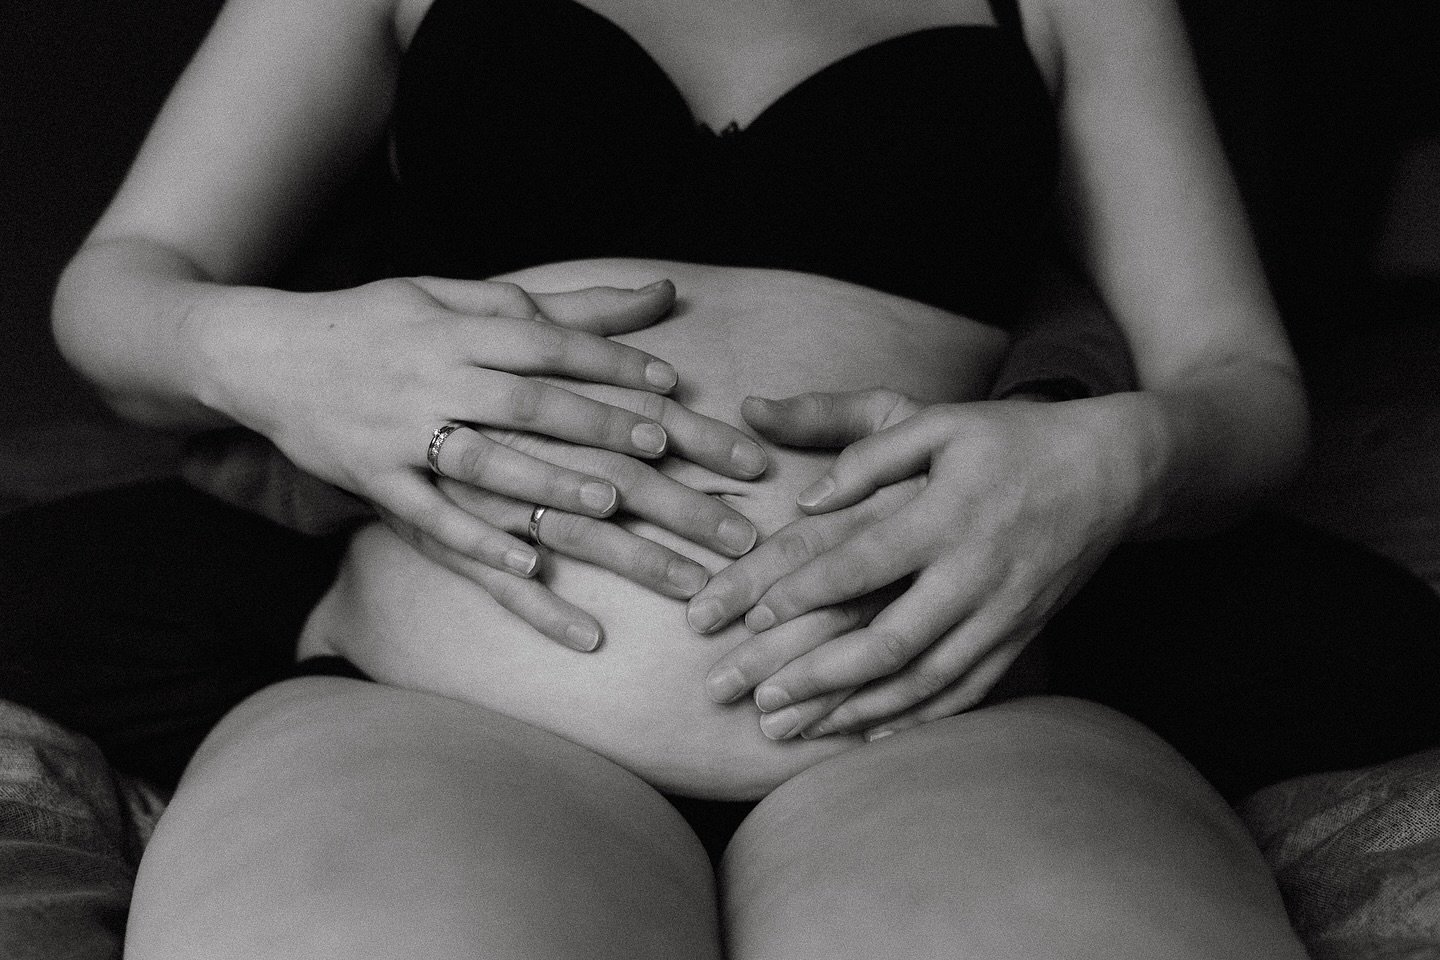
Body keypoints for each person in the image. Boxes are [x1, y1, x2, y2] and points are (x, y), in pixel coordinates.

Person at [38, 0, 1412, 952]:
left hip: (944, 719)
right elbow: (122, 291)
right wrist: (282, 354)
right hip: (439, 706)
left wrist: (1115, 451)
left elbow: (1242, 381)